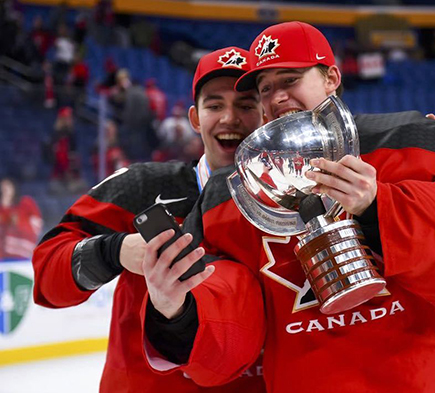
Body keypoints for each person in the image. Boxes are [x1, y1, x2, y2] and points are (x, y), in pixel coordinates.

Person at [142, 22, 435, 393]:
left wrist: (379, 205)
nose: (276, 96)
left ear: (331, 77)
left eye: (290, 79)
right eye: (265, 88)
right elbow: (232, 333)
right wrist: (176, 311)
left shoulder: (414, 144)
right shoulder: (227, 195)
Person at [32, 47, 266, 392]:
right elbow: (48, 272)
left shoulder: (291, 199)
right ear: (195, 118)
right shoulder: (143, 186)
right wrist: (115, 251)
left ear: (267, 116)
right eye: (215, 105)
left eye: (246, 106)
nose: (230, 118)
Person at [0, 177, 43, 261]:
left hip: (23, 255)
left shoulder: (26, 203)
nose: (4, 189)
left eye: (7, 186)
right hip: (2, 257)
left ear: (14, 187)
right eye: (2, 187)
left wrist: (19, 222)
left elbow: (37, 225)